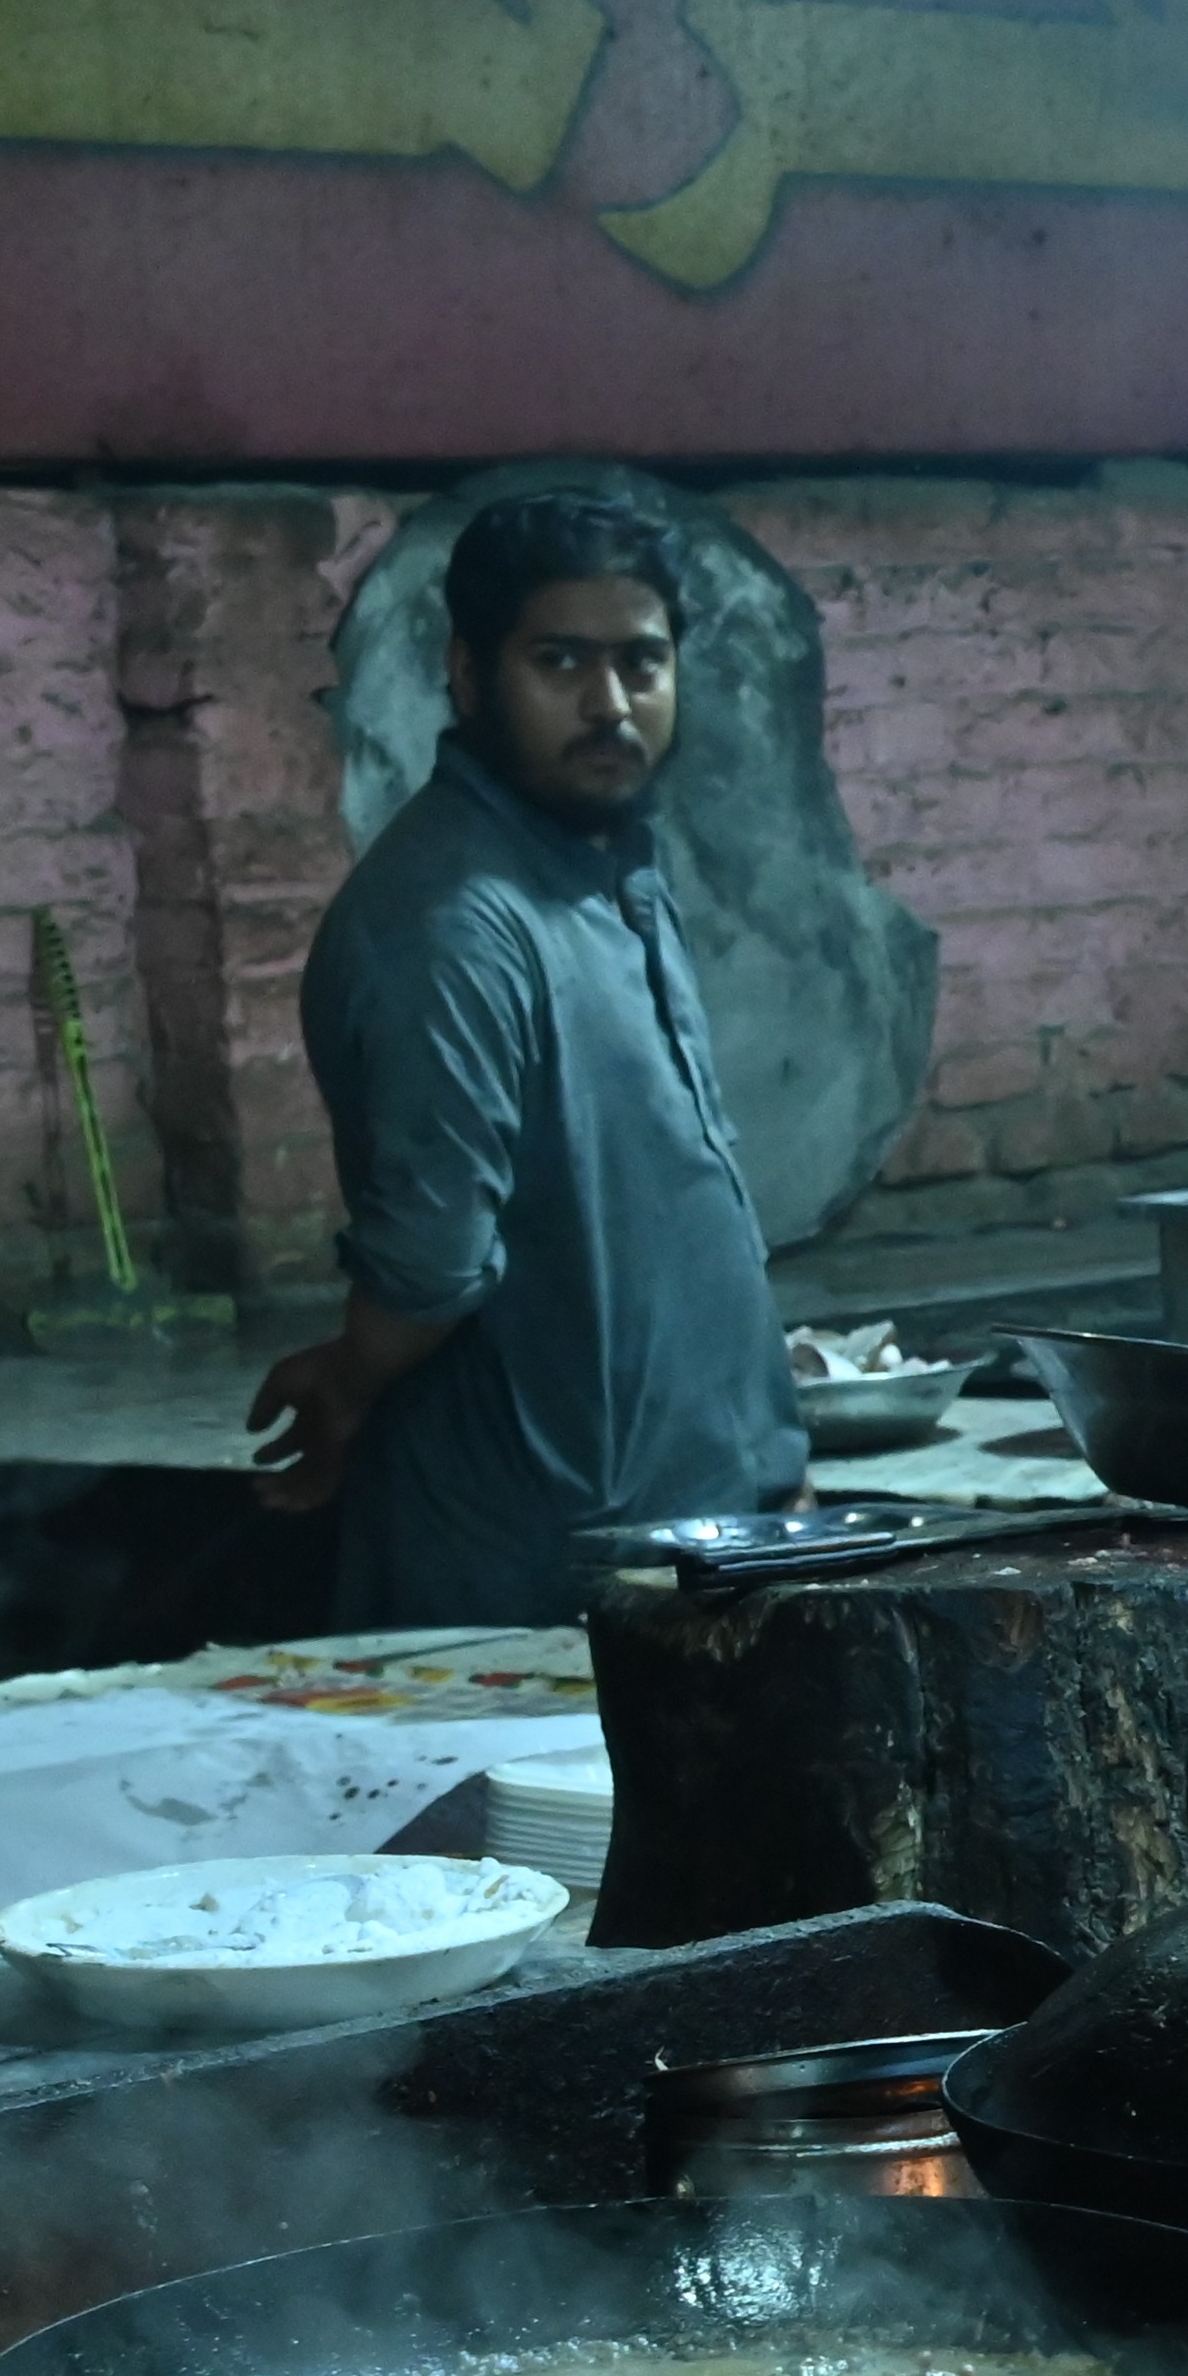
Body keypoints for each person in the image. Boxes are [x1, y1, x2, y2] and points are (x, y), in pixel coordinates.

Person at [253, 484, 804, 1625]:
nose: (610, 704)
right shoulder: (454, 923)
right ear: (469, 675)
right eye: (560, 663)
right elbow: (433, 1256)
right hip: (543, 1563)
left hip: (691, 1523)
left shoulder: (603, 869)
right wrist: (351, 1381)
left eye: (641, 664)